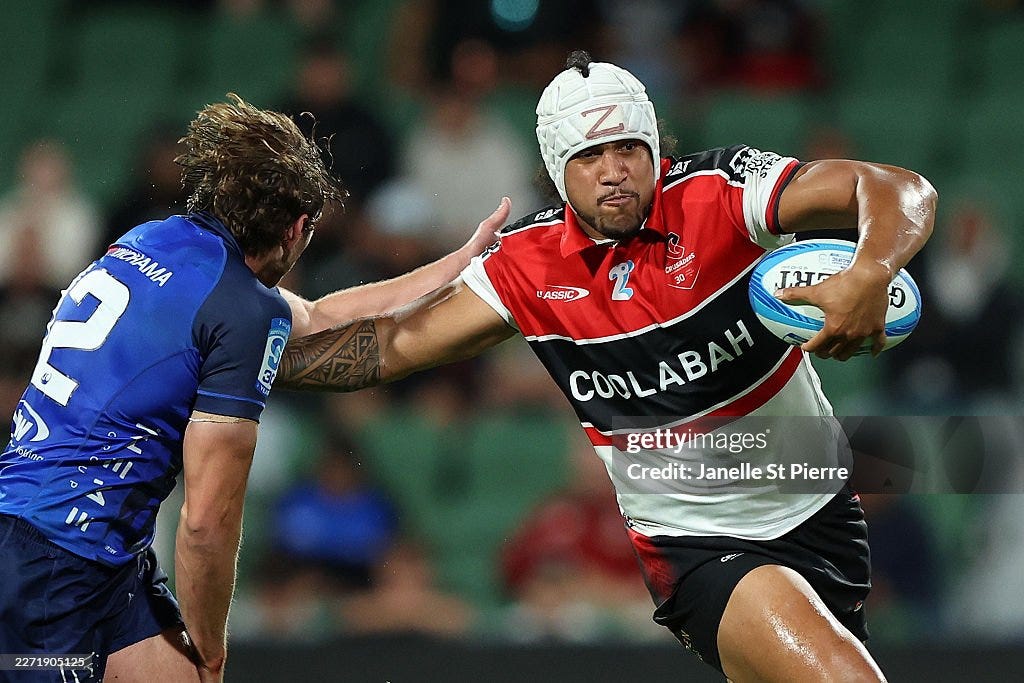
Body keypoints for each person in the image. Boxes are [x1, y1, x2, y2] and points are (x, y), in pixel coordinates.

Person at [277, 52, 936, 681]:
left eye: (628, 149)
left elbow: (896, 189)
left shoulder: (723, 193)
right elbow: (388, 347)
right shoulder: (524, 265)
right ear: (557, 167)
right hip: (700, 547)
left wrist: (870, 271)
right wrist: (254, 363)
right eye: (589, 156)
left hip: (823, 512)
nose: (614, 171)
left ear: (655, 150)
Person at [0, 94, 508, 682]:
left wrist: (456, 263)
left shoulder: (153, 240)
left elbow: (316, 314)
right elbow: (204, 524)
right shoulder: (241, 311)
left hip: (75, 543)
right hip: (54, 565)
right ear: (297, 229)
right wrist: (210, 647)